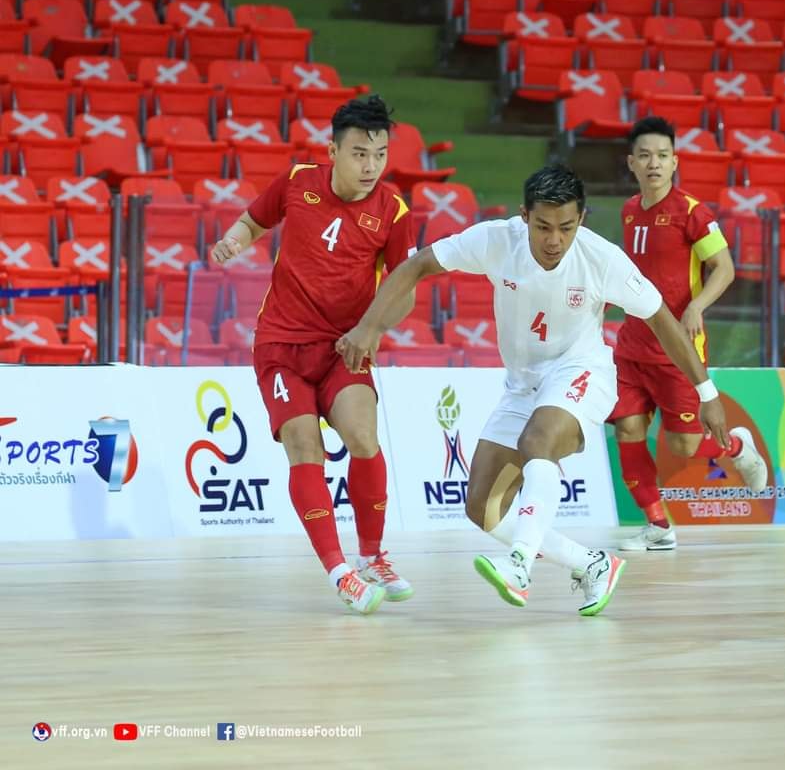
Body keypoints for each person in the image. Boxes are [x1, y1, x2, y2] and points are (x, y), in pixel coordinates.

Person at [335, 164, 730, 616]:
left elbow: (662, 319)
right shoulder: (495, 241)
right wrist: (369, 327)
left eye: (566, 227)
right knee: (482, 507)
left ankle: (520, 565)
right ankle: (592, 563)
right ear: (524, 216)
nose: (554, 240)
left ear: (581, 219)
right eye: (542, 226)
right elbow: (417, 265)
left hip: (583, 372)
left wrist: (707, 393)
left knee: (538, 441)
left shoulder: (602, 259)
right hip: (523, 385)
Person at [210, 95, 414, 614]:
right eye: (359, 154)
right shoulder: (298, 182)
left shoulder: (392, 210)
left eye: (380, 154)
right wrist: (234, 241)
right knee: (305, 447)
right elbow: (254, 221)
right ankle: (340, 571)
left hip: (345, 346)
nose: (370, 166)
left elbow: (405, 288)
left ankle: (372, 556)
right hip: (281, 345)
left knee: (364, 438)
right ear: (333, 152)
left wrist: (372, 328)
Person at [610, 117, 768, 552]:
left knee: (682, 445)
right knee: (627, 429)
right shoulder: (627, 211)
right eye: (645, 155)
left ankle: (736, 447)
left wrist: (697, 306)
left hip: (678, 351)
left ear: (675, 161)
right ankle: (658, 526)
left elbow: (726, 268)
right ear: (632, 163)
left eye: (662, 155)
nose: (654, 163)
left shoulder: (694, 212)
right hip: (631, 347)